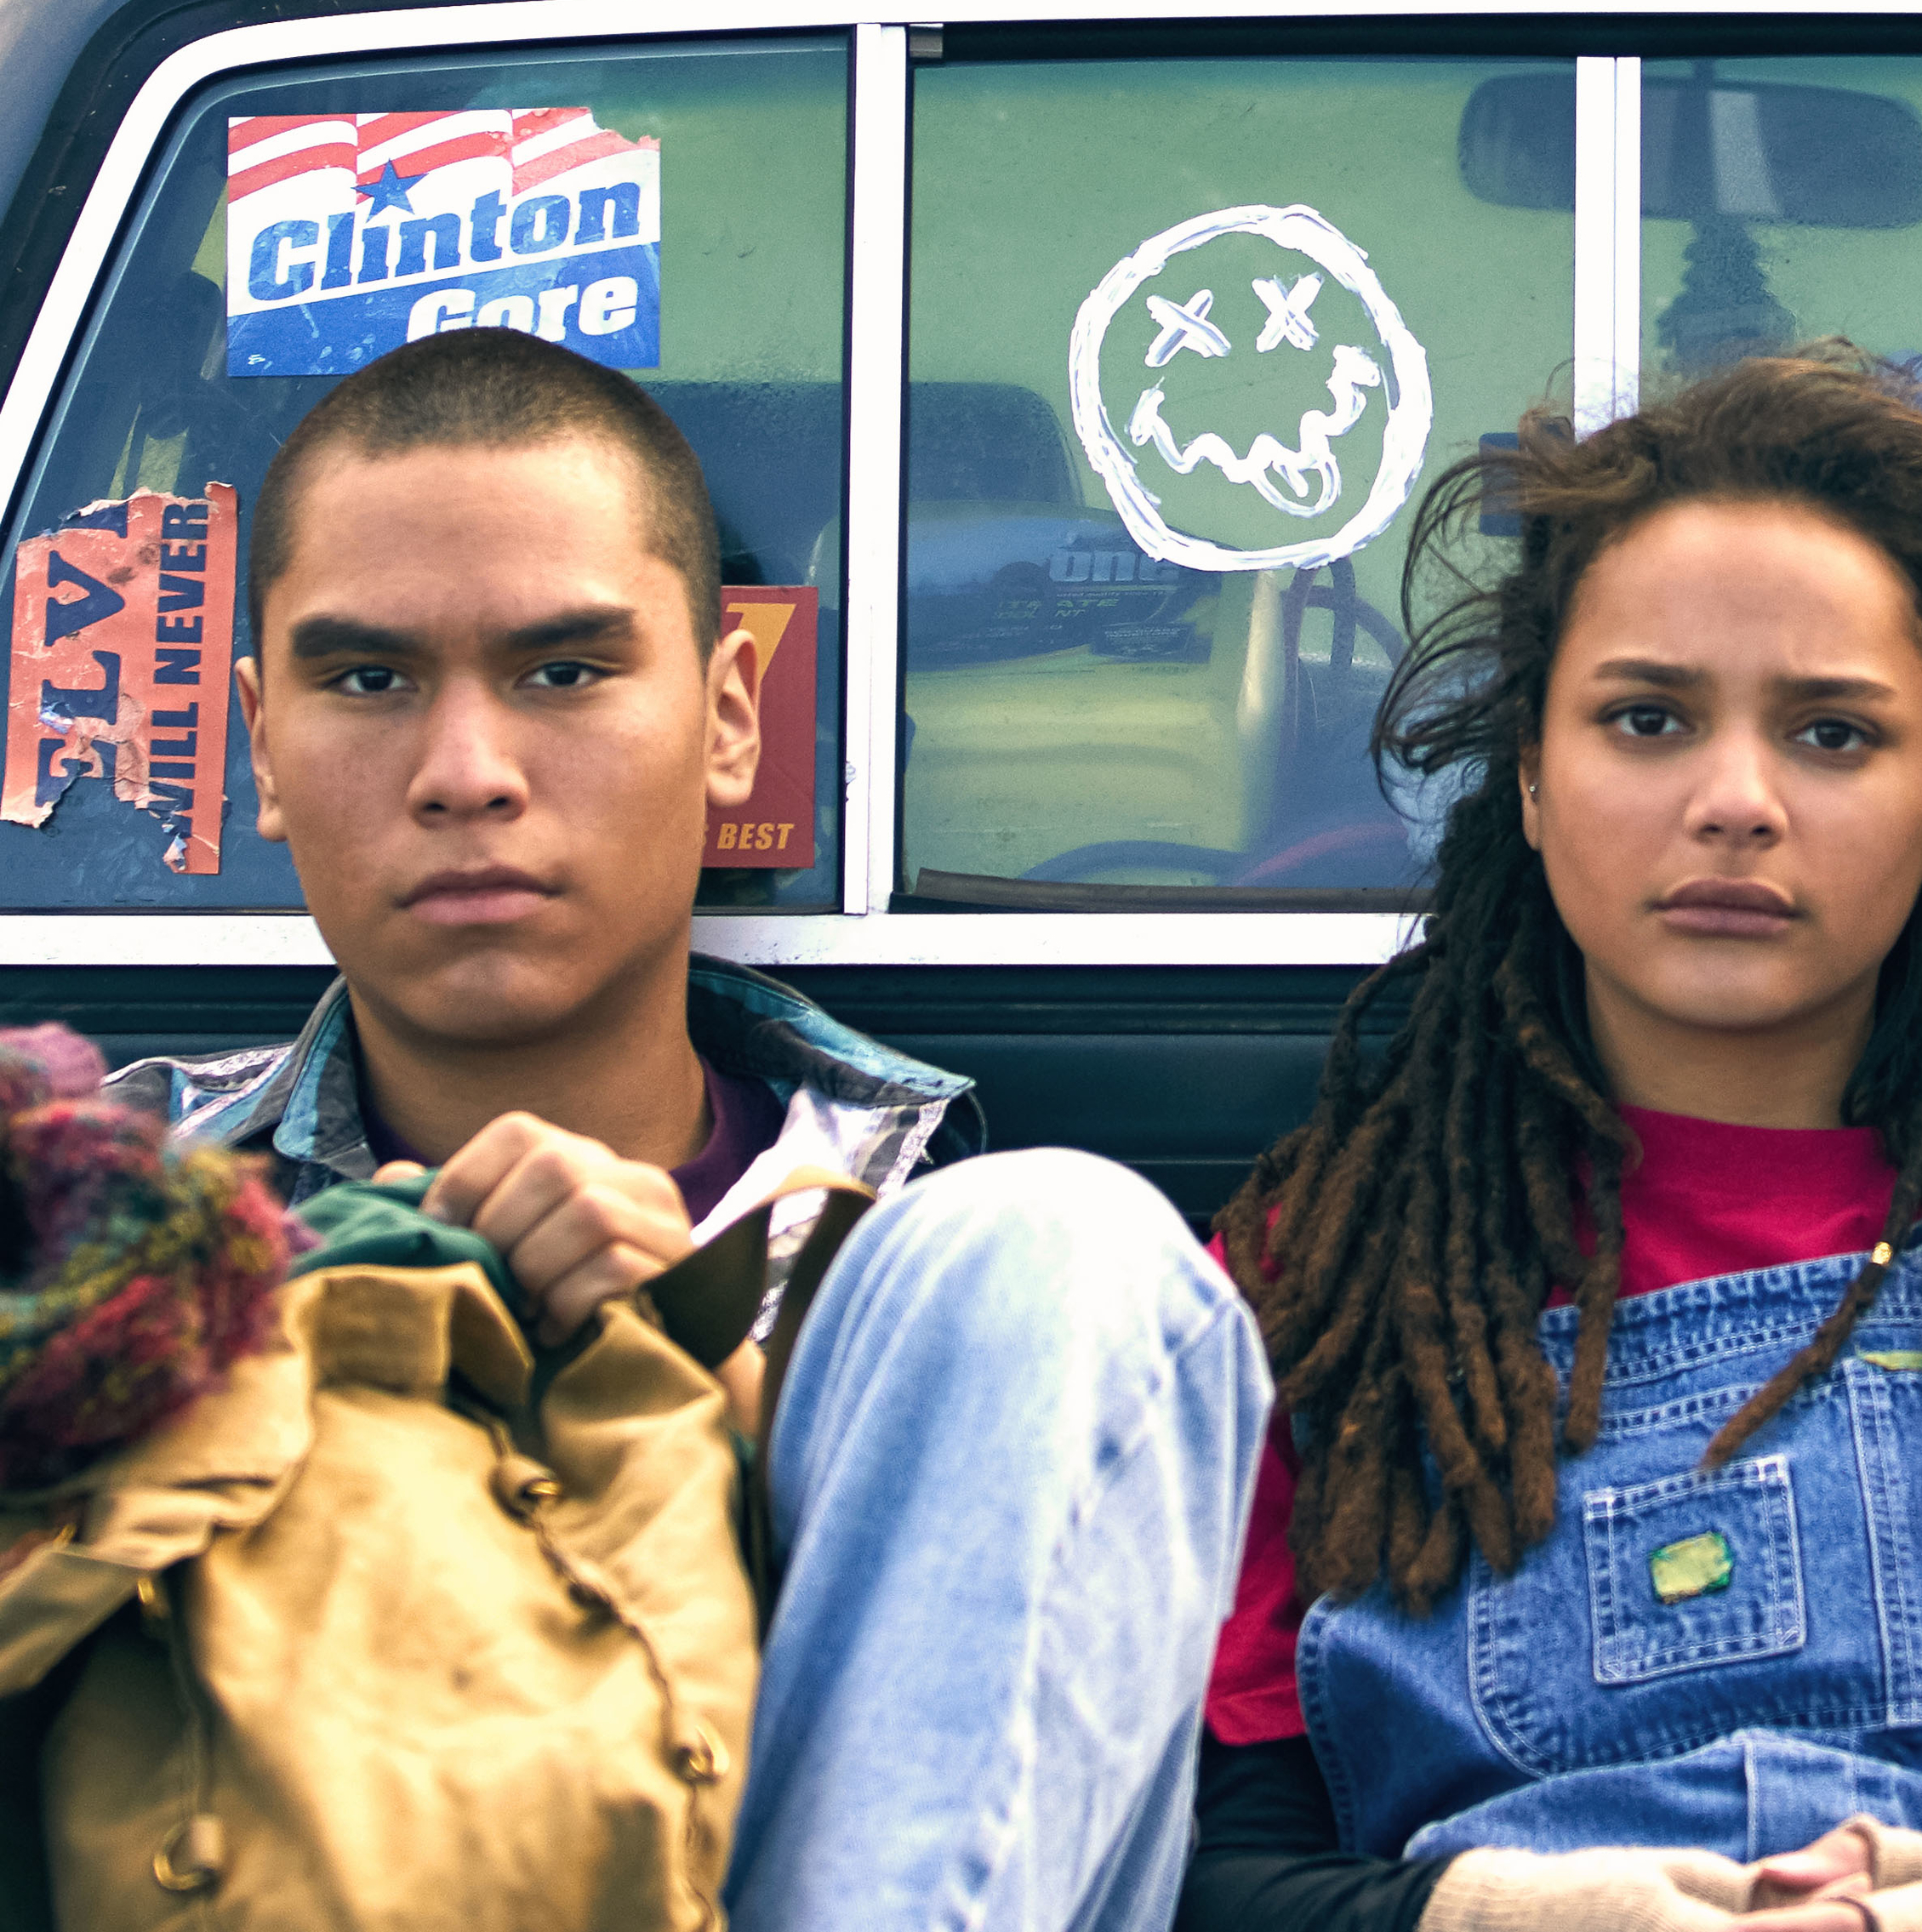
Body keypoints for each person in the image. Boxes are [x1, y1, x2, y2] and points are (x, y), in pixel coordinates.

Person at [1178, 347, 1922, 1932]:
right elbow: (1197, 1873)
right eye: (1647, 718)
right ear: (1532, 778)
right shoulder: (1304, 1293)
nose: (1738, 799)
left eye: (1832, 733)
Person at [100, 326, 1269, 1932]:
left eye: (565, 672)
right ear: (261, 747)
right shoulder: (113, 1200)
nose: (466, 772)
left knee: (1068, 1246)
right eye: (367, 679)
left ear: (729, 719)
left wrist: (716, 1403)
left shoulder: (937, 1260)